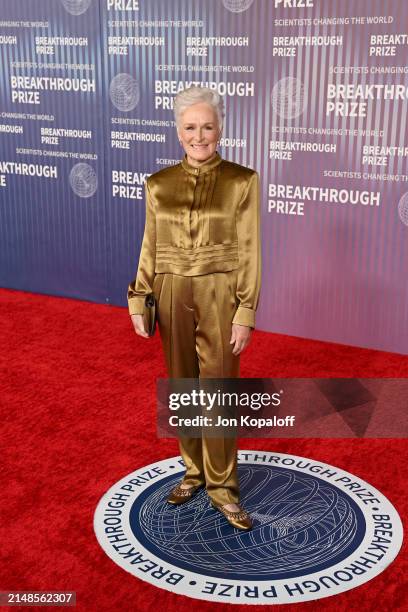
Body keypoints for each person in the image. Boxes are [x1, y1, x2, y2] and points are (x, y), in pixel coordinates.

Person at [127, 85, 261, 530]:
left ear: (220, 129)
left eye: (207, 126)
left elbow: (249, 251)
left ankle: (223, 488)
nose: (199, 136)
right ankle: (194, 471)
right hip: (169, 292)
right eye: (190, 127)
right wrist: (138, 298)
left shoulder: (242, 180)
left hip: (220, 293)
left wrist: (245, 310)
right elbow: (151, 246)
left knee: (218, 390)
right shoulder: (158, 184)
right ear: (177, 131)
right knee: (182, 385)